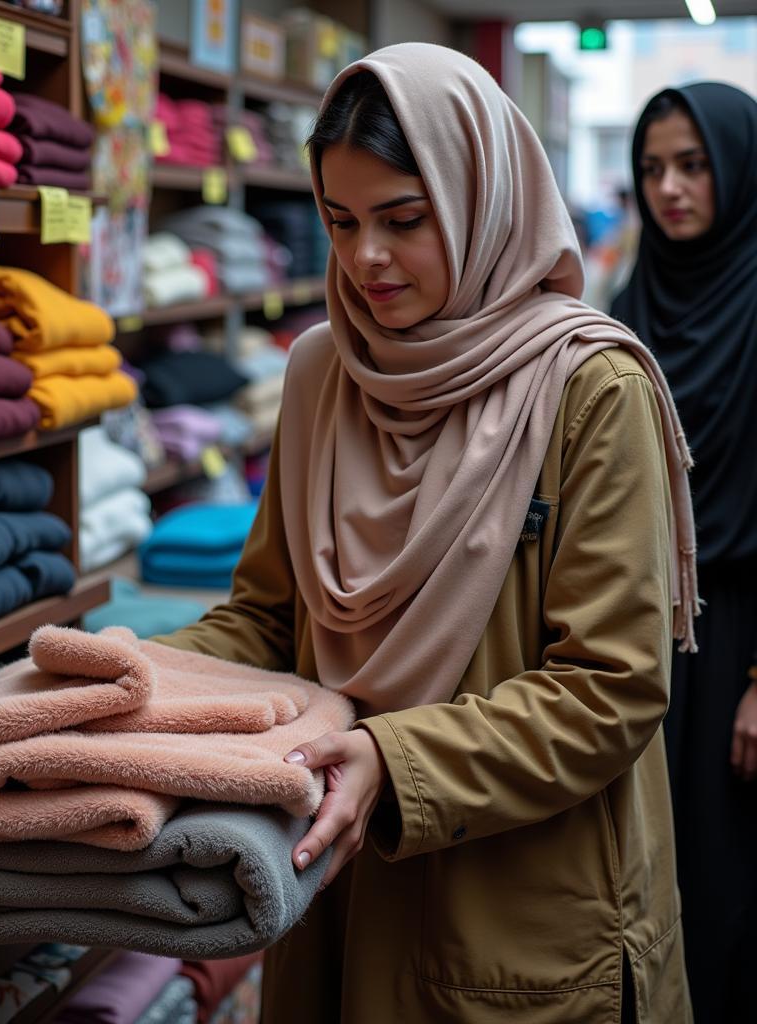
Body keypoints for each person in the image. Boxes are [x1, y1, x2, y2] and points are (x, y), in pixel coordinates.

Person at [155, 44, 698, 1022]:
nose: (365, 259)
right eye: (340, 222)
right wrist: (136, 683)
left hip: (519, 905)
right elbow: (268, 617)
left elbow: (611, 687)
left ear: (479, 198)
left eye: (404, 220)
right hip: (340, 876)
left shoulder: (587, 388)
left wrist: (390, 761)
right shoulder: (325, 371)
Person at [611, 82, 757, 1024]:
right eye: (654, 168)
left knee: (730, 872)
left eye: (693, 164)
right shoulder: (633, 300)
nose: (671, 188)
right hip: (645, 625)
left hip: (743, 631)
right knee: (645, 869)